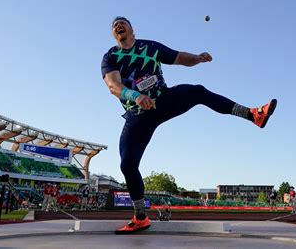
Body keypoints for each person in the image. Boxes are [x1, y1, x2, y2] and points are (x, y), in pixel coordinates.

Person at [101, 16, 277, 234]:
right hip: (137, 114)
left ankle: (252, 115)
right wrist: (136, 96)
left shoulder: (150, 47)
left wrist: (198, 58)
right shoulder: (111, 56)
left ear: (132, 29)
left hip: (162, 100)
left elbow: (178, 57)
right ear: (113, 34)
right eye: (114, 25)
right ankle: (140, 217)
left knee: (197, 92)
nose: (118, 26)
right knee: (127, 165)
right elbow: (113, 86)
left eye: (122, 23)